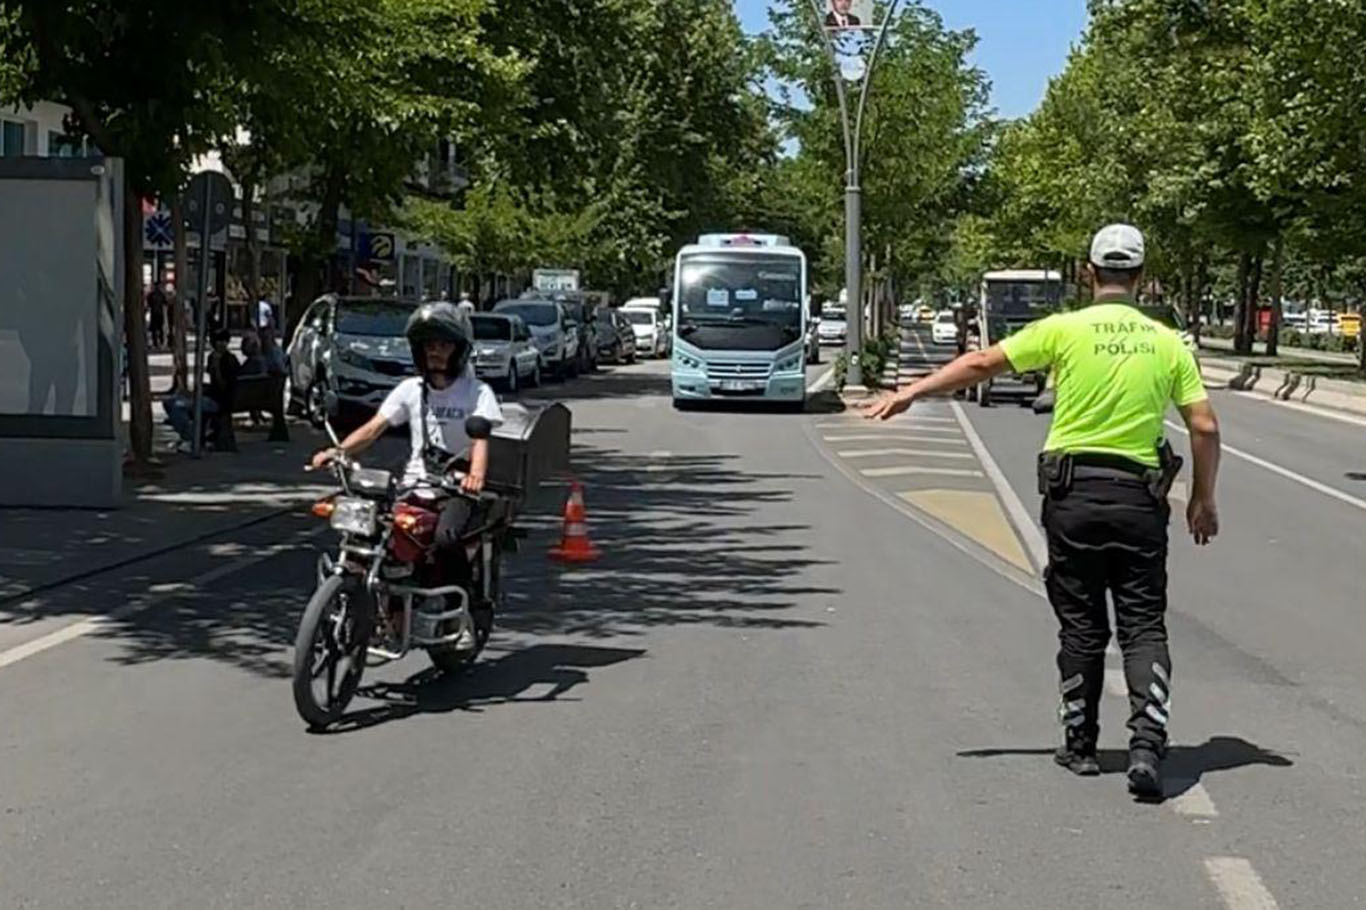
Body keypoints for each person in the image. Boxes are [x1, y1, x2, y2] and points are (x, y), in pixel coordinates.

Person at [862, 223, 1222, 798]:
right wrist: (1203, 499)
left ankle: (1079, 744)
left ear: (1089, 271)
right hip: (1138, 500)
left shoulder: (1063, 330)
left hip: (1072, 498)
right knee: (1143, 624)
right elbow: (1203, 425)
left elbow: (981, 365)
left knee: (1081, 624)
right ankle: (1148, 748)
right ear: (1143, 277)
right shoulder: (1168, 342)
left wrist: (911, 392)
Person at [309, 302, 502, 650]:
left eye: (443, 345)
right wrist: (339, 452)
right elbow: (373, 429)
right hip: (414, 484)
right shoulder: (410, 390)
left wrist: (475, 475)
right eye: (429, 346)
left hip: (455, 487)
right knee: (376, 533)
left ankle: (466, 614)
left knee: (446, 537)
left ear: (458, 349)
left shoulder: (477, 393)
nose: (436, 353)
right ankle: (370, 602)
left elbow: (480, 437)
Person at [148, 284, 167, 350]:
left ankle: (155, 343)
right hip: (160, 313)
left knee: (154, 329)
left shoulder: (151, 295)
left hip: (154, 313)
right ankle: (161, 342)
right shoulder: (161, 295)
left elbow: (149, 303)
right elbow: (165, 303)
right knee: (160, 328)